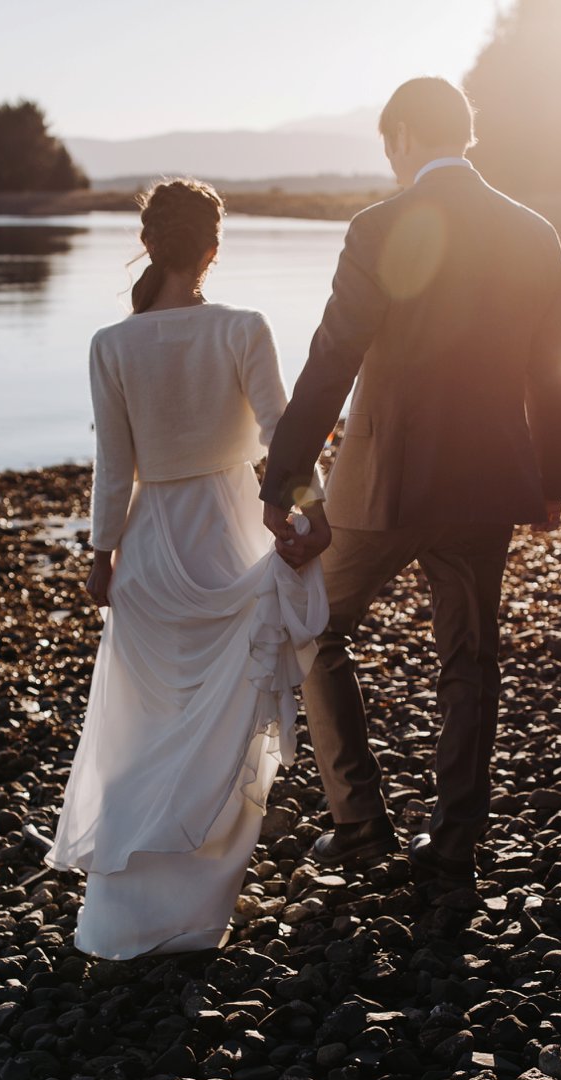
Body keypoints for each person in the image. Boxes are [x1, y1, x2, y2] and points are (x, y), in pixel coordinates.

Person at [261, 76, 561, 897]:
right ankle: (454, 840)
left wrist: (287, 473)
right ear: (463, 136)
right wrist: (548, 480)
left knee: (313, 629)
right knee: (469, 659)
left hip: (385, 483)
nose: (389, 158)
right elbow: (551, 373)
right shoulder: (534, 231)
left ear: (402, 136)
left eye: (386, 143)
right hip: (488, 483)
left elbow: (332, 357)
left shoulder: (378, 227)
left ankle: (360, 823)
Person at [47, 178, 330, 959]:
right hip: (229, 536)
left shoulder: (111, 344)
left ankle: (123, 918)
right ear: (212, 249)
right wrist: (309, 512)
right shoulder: (242, 328)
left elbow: (114, 466)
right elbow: (283, 435)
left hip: (149, 546)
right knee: (222, 730)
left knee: (143, 730)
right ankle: (197, 913)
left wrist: (101, 555)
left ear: (148, 244)